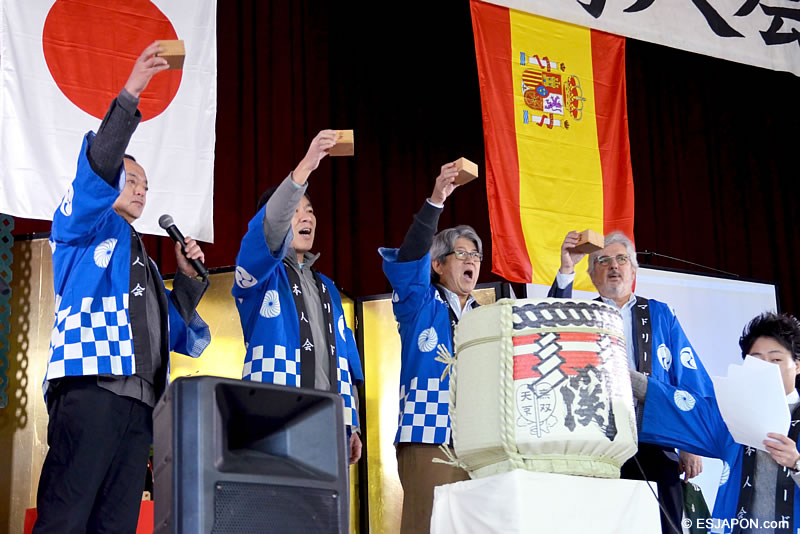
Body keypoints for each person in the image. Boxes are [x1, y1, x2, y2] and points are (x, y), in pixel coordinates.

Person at [36, 42, 211, 533]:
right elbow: (97, 167)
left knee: (117, 523)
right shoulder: (83, 226)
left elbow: (166, 331)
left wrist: (187, 281)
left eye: (146, 186)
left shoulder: (146, 263)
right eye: (131, 180)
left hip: (140, 405)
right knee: (66, 515)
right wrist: (131, 96)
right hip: (91, 385)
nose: (140, 190)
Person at [548, 230, 713, 534]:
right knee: (607, 525)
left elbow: (687, 378)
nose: (614, 266)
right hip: (600, 443)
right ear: (592, 276)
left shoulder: (660, 314)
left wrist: (690, 442)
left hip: (656, 438)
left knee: (665, 525)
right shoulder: (583, 316)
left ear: (634, 270)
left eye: (621, 259)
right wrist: (567, 268)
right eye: (603, 260)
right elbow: (549, 330)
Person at [232, 130, 364, 465]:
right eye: (295, 210)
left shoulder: (328, 288)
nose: (306, 217)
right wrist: (307, 165)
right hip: (273, 415)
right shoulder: (260, 275)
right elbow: (268, 227)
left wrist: (352, 424)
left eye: (311, 210)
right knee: (279, 498)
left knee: (328, 502)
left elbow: (346, 361)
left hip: (330, 422)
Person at [379, 161, 480, 533]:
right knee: (426, 525)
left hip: (477, 440)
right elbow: (410, 257)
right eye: (462, 254)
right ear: (437, 264)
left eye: (476, 256)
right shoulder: (419, 302)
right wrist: (436, 200)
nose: (471, 261)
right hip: (427, 435)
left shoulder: (486, 318)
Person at [635, 312, 800, 533]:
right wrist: (619, 376)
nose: (767, 368)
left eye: (776, 360)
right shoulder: (733, 413)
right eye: (757, 360)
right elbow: (678, 407)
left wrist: (796, 462)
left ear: (797, 365)